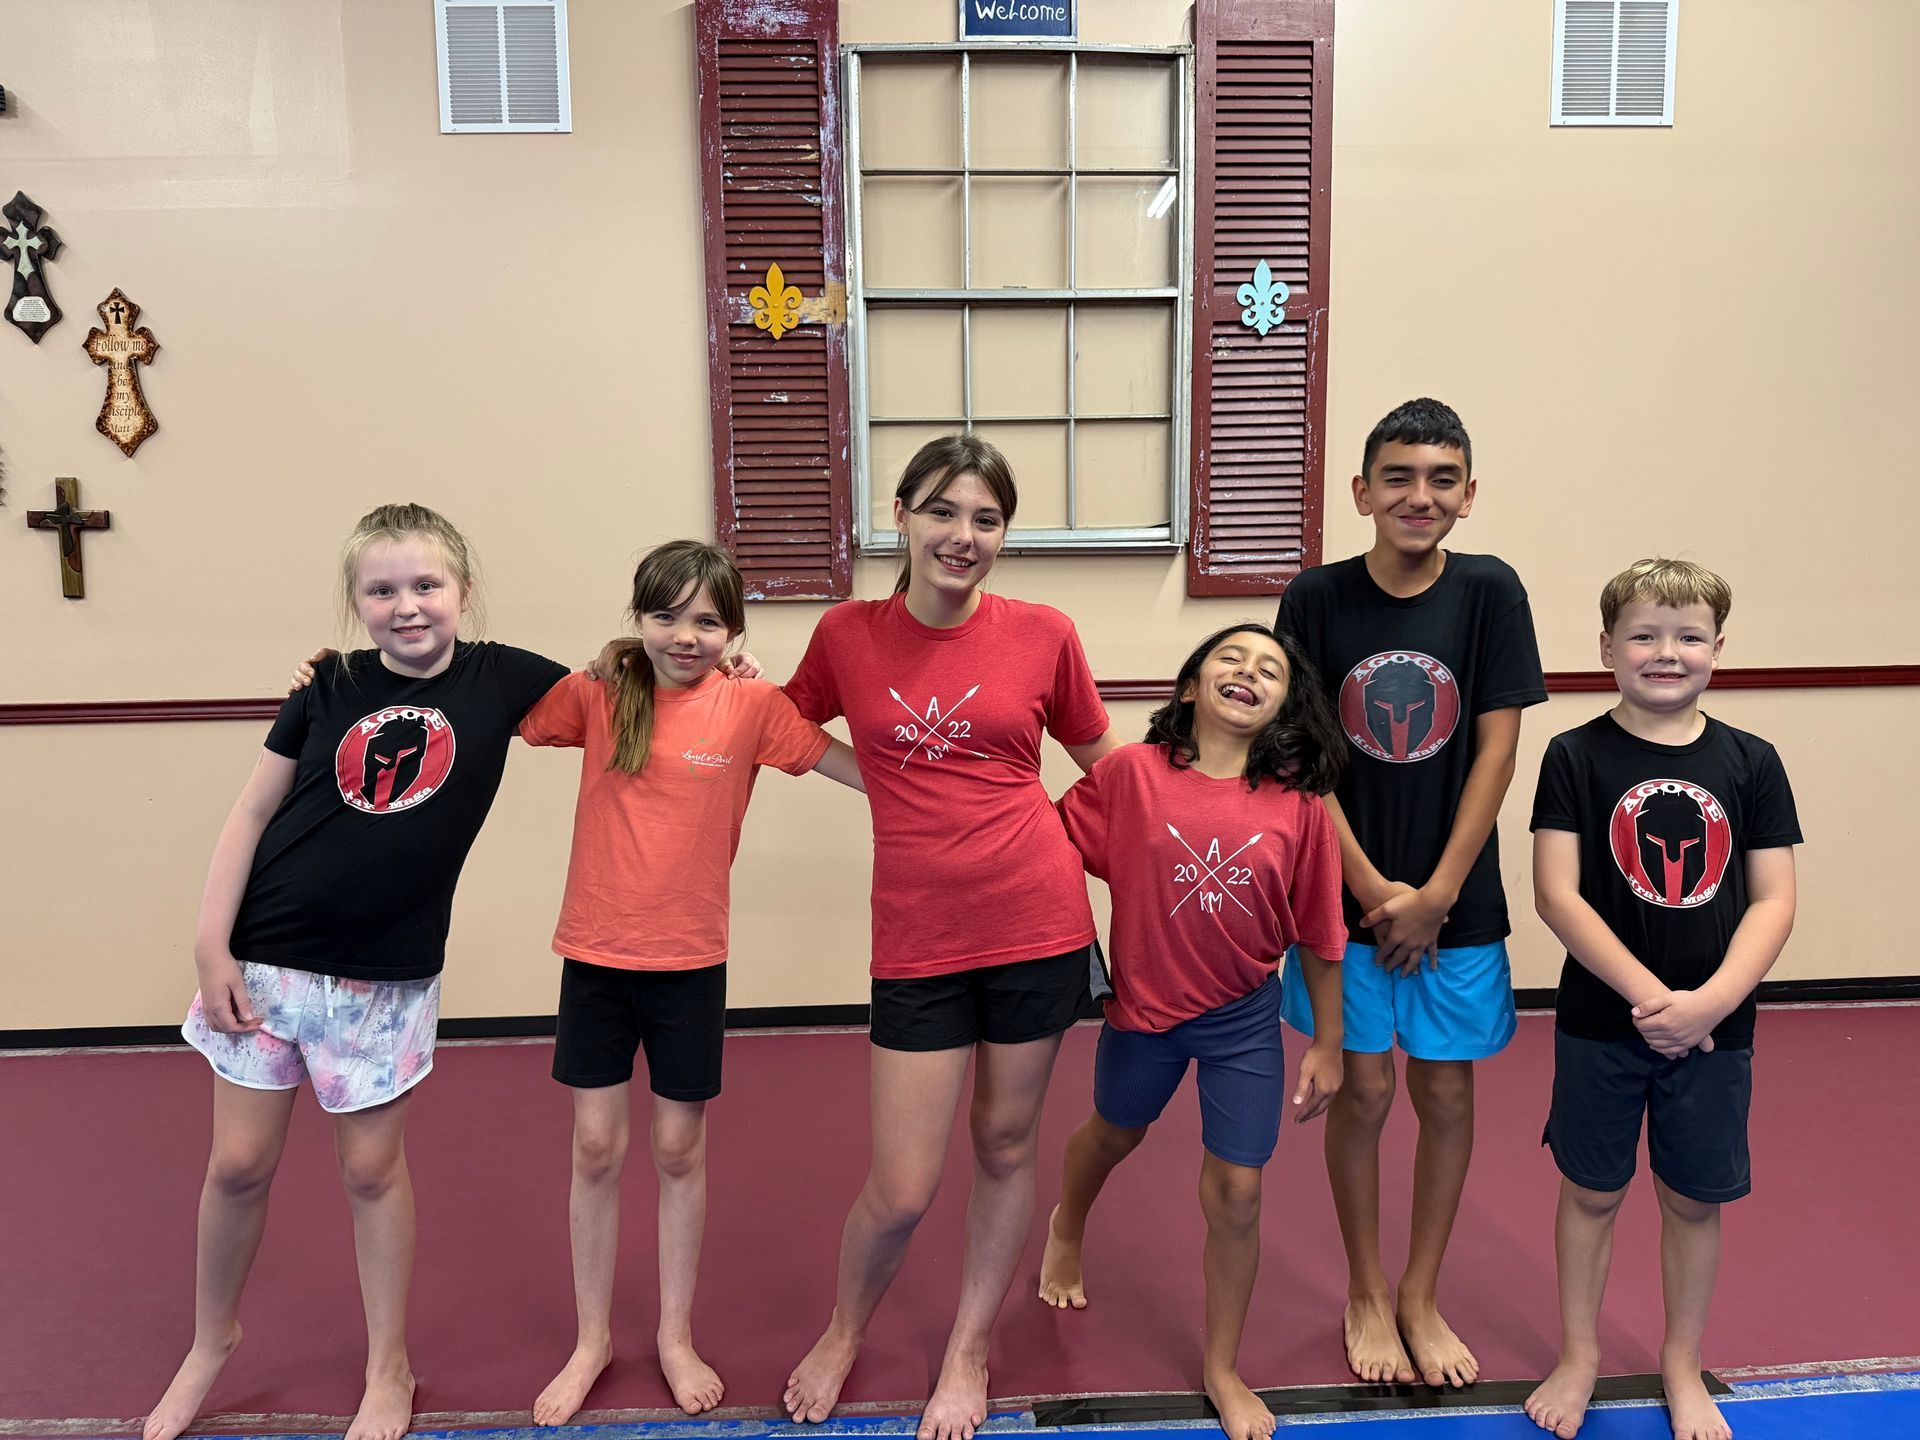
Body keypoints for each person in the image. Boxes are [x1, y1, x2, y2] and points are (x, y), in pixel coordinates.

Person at [144, 504, 569, 1440]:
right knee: (239, 1162)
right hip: (269, 958)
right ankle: (210, 1341)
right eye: (382, 591)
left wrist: (718, 663)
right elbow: (250, 815)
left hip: (385, 979)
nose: (407, 607)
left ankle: (390, 1365)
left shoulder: (506, 680)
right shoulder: (329, 686)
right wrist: (212, 945)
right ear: (356, 604)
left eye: (427, 586)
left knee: (372, 1170)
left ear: (464, 592)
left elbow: (631, 688)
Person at [778, 434, 1119, 1440]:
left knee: (1006, 1144)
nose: (960, 536)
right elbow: (783, 729)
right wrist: (876, 779)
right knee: (901, 1186)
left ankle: (968, 1348)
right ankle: (846, 1329)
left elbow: (1107, 764)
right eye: (941, 512)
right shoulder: (848, 634)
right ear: (903, 516)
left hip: (1037, 918)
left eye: (984, 519)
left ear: (1003, 535)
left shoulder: (1044, 633)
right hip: (919, 936)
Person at [520, 540, 864, 1425]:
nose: (687, 634)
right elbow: (505, 710)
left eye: (708, 619)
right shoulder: (602, 693)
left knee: (678, 1150)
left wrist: (964, 788)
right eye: (666, 615)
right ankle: (592, 1338)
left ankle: (674, 1333)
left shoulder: (751, 704)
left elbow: (849, 769)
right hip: (596, 956)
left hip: (689, 963)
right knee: (595, 1148)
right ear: (636, 620)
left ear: (735, 629)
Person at [1274, 398, 1547, 1387]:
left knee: (1440, 1086)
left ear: (1467, 495)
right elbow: (1300, 752)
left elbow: (1497, 748)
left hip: (1454, 901)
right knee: (1364, 1084)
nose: (1417, 496)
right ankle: (1362, 1286)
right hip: (1344, 895)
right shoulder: (1315, 599)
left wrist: (1435, 891)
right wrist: (1373, 885)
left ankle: (1420, 1292)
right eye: (1398, 477)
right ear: (1362, 492)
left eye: (1440, 479)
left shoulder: (1490, 594)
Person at [1037, 623, 1349, 1440]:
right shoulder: (1130, 777)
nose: (1249, 673)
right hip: (1144, 1014)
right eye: (1231, 660)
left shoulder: (1301, 808)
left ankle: (1221, 1366)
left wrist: (1327, 1041)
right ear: (1189, 687)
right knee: (1113, 1133)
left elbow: (1319, 933)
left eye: (1270, 669)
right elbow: (1040, 846)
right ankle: (1065, 1225)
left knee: (1239, 1191)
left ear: (1285, 705)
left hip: (1244, 1020)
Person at [1523, 559, 1798, 1440]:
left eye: (1687, 637)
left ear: (1719, 648)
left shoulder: (1753, 762)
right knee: (1591, 1192)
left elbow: (1774, 898)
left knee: (1692, 1197)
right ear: (1607, 647)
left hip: (1718, 1032)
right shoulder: (1574, 755)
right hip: (1604, 1021)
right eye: (1644, 634)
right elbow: (1557, 894)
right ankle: (1580, 1354)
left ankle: (1682, 1361)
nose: (1666, 652)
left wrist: (1709, 1004)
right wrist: (1654, 1000)